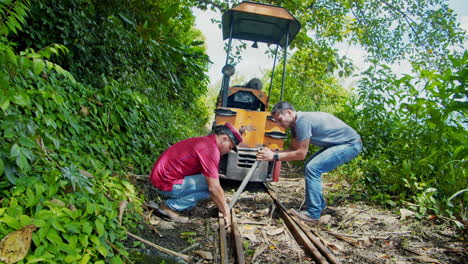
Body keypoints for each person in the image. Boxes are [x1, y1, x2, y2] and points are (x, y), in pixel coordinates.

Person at [256, 101, 362, 223]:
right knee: (310, 166)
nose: (279, 124)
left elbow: (301, 154)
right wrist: (272, 153)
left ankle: (313, 214)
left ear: (289, 113)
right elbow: (293, 149)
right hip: (340, 144)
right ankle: (319, 207)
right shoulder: (295, 124)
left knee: (313, 168)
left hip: (350, 144)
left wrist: (273, 156)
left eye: (280, 120)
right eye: (277, 121)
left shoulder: (302, 121)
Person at [149, 122, 242, 227]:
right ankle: (168, 206)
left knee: (210, 188)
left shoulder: (207, 142)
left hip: (162, 179)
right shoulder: (211, 150)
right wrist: (226, 211)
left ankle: (187, 205)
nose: (228, 151)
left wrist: (221, 200)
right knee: (210, 189)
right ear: (224, 139)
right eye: (229, 147)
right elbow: (214, 187)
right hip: (164, 183)